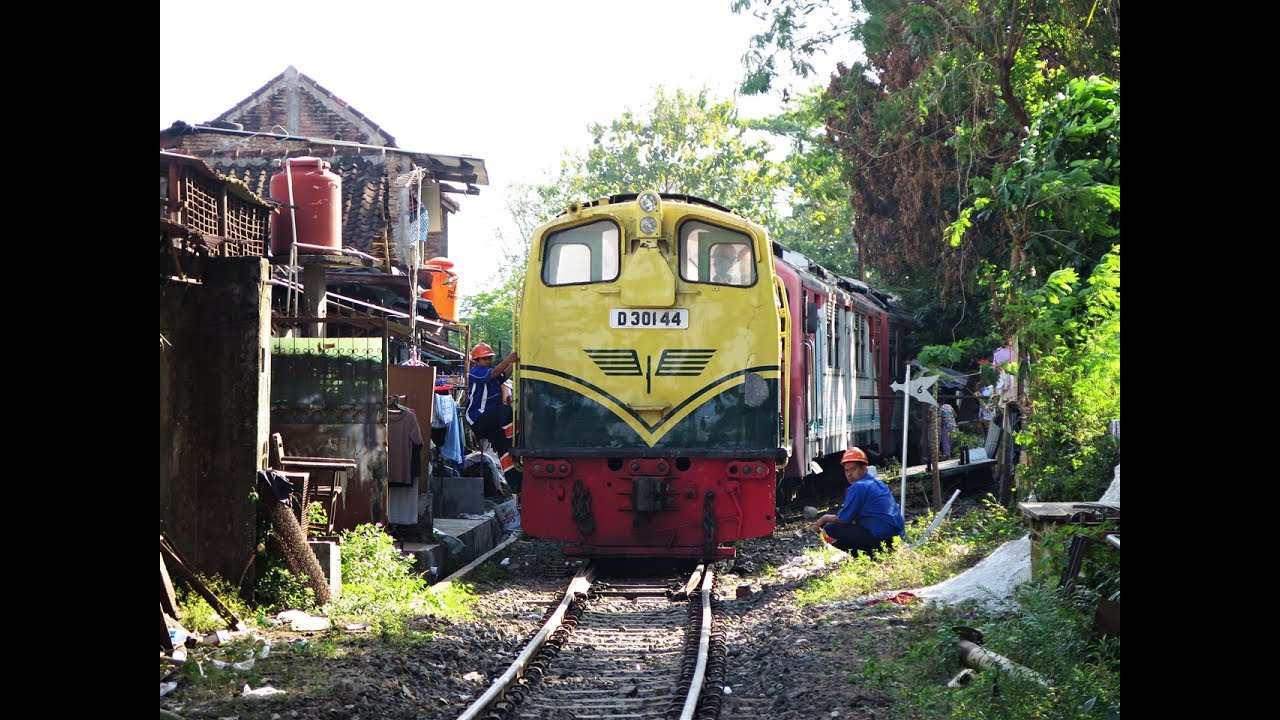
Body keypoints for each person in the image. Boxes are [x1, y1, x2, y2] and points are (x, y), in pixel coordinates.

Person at [813, 447, 906, 556]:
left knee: (830, 529)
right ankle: (875, 554)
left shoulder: (858, 487)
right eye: (846, 470)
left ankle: (867, 557)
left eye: (853, 469)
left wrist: (824, 519)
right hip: (896, 539)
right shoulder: (877, 483)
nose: (849, 474)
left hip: (881, 540)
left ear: (864, 469)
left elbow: (844, 520)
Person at [464, 342, 522, 493]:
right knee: (506, 411)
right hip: (478, 419)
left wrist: (515, 364)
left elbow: (503, 376)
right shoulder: (476, 372)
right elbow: (495, 374)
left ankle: (515, 483)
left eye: (489, 358)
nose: (488, 361)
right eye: (484, 359)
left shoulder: (491, 372)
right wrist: (509, 359)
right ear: (475, 361)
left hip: (490, 420)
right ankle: (514, 435)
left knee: (504, 448)